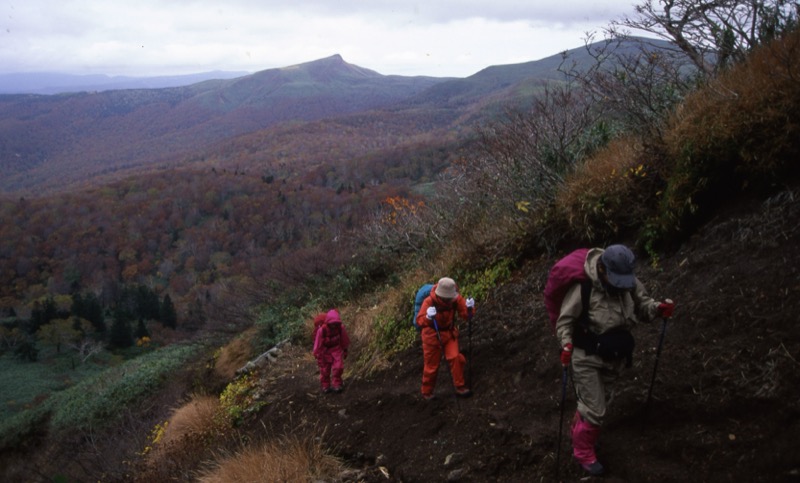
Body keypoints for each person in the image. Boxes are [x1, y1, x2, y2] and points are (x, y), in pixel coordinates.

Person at [556, 245, 675, 476]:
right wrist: (566, 344)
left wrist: (658, 309)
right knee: (595, 410)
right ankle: (583, 453)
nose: (621, 284)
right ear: (602, 268)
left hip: (615, 358)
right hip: (586, 357)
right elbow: (565, 321)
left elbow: (643, 306)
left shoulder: (628, 282)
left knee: (601, 404)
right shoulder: (584, 288)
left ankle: (582, 432)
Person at [415, 277, 476, 399]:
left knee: (455, 358)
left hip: (448, 334)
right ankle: (427, 392)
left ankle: (460, 387)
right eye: (447, 298)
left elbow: (466, 315)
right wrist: (428, 316)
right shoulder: (429, 302)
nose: (450, 300)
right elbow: (420, 321)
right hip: (431, 336)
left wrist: (470, 308)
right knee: (432, 366)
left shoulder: (455, 299)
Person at [313, 309, 350, 394]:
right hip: (325, 351)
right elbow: (318, 343)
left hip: (336, 350)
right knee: (325, 370)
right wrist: (317, 353)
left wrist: (345, 350)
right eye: (332, 323)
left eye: (336, 323)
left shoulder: (340, 328)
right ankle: (325, 385)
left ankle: (337, 384)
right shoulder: (322, 330)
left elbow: (344, 339)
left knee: (338, 367)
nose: (334, 325)